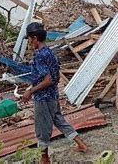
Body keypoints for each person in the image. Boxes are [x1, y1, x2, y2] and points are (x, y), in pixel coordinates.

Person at [21, 22, 88, 163]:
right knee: (58, 119)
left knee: (42, 128)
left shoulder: (40, 55)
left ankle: (44, 159)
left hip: (44, 98)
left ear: (34, 38)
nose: (29, 42)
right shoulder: (49, 52)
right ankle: (82, 144)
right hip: (53, 95)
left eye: (29, 39)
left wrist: (30, 91)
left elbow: (48, 80)